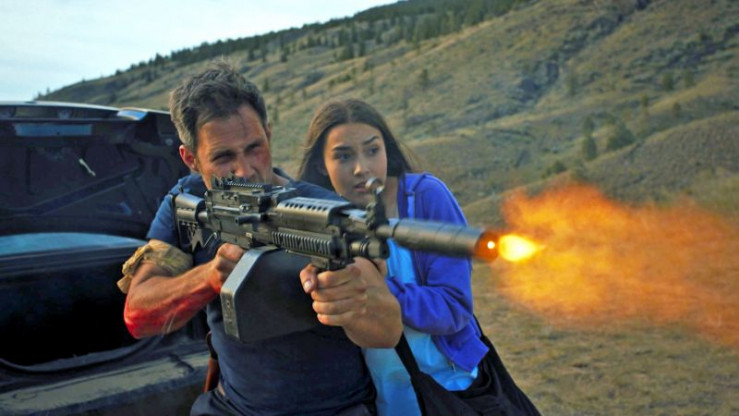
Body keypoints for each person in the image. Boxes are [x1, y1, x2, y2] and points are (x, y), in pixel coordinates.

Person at [118, 62, 403, 416]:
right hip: (231, 407)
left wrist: (350, 304)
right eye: (223, 157)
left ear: (268, 133)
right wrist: (210, 277)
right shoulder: (187, 201)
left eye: (255, 147)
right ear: (190, 158)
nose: (245, 169)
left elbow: (387, 329)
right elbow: (138, 316)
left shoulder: (324, 212)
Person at [297, 99, 488, 416]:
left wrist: (375, 288)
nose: (362, 168)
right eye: (343, 156)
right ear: (321, 165)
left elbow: (454, 307)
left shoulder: (425, 198)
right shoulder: (317, 216)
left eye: (372, 150)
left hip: (450, 389)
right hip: (381, 398)